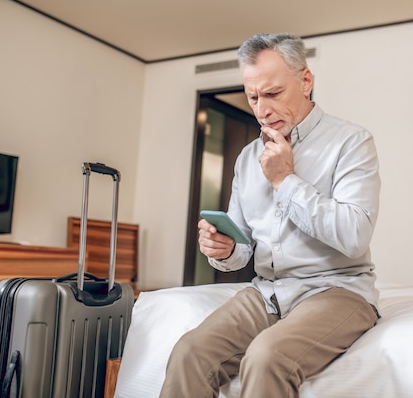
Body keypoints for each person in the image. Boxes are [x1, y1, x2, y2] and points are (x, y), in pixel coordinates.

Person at [159, 32, 381, 398]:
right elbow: (243, 251)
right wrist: (224, 248)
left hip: (336, 290)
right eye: (253, 97)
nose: (262, 109)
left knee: (265, 356)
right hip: (266, 293)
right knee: (189, 351)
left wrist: (285, 180)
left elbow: (355, 236)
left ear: (305, 81)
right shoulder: (247, 158)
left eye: (273, 94)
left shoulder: (352, 142)